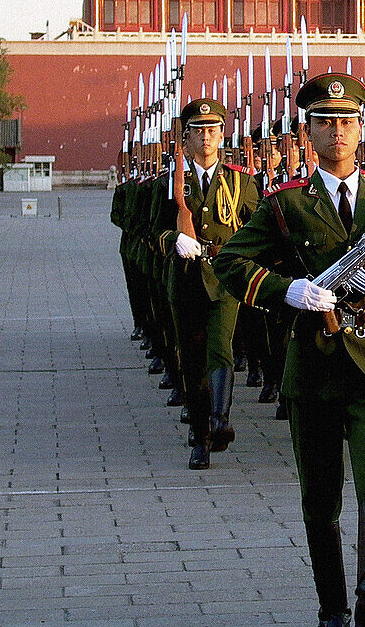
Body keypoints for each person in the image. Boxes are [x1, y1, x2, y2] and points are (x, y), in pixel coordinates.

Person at [215, 73, 365, 627]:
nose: (338, 132)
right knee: (320, 493)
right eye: (325, 123)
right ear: (306, 132)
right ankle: (333, 606)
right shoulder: (287, 204)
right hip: (313, 361)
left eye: (347, 121)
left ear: (363, 130)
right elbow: (230, 263)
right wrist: (285, 290)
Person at [152, 99, 260, 470]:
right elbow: (154, 230)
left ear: (222, 135)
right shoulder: (170, 182)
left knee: (221, 351)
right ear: (184, 140)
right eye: (197, 131)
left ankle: (218, 420)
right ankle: (200, 436)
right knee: (192, 362)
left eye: (212, 130)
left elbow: (253, 228)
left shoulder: (240, 181)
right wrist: (173, 240)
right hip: (183, 280)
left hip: (223, 279)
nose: (205, 137)